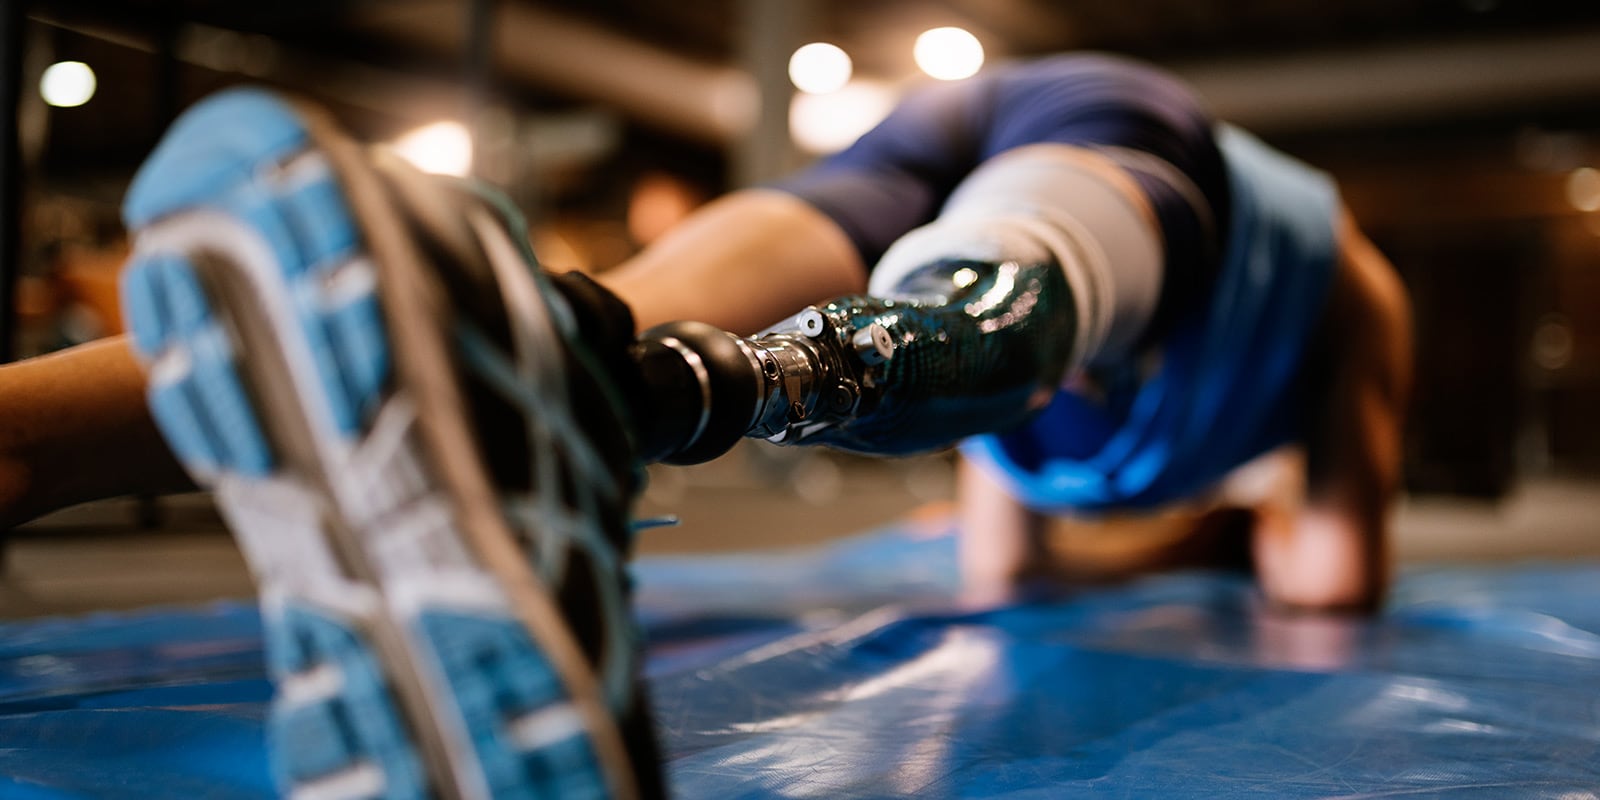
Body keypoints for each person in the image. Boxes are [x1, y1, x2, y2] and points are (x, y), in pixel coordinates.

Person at [0, 54, 1410, 798]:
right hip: (1113, 136)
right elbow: (1333, 576)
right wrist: (1223, 534)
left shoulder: (1084, 446)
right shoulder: (1357, 294)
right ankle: (616, 412)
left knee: (597, 311)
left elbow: (1010, 570)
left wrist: (1151, 533)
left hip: (939, 149)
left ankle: (22, 443)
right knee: (1000, 311)